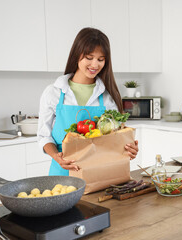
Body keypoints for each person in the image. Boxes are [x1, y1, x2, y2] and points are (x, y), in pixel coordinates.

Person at [38, 27, 139, 176]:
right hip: (62, 172)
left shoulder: (107, 97)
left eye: (101, 59)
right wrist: (56, 156)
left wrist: (129, 149)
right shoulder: (53, 92)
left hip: (98, 175)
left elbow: (115, 139)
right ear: (77, 54)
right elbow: (43, 135)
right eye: (89, 58)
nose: (95, 65)